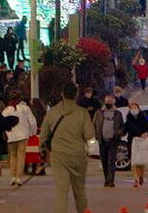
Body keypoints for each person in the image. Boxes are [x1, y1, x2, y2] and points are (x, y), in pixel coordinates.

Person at [40, 83, 96, 213]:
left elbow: (43, 134)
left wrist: (42, 150)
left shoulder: (52, 112)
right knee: (80, 190)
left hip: (58, 156)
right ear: (76, 95)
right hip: (78, 155)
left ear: (62, 94)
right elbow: (89, 135)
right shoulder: (82, 113)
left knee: (61, 191)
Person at [2, 91, 37, 187]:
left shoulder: (6, 110)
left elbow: (3, 124)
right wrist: (33, 132)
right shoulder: (25, 109)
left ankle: (13, 176)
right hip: (23, 135)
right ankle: (19, 177)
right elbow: (32, 121)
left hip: (11, 136)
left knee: (13, 156)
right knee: (21, 156)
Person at [94, 93, 125, 188]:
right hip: (102, 140)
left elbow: (121, 125)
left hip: (113, 140)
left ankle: (111, 180)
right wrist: (96, 135)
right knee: (104, 160)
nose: (108, 103)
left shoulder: (117, 113)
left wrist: (119, 133)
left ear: (113, 101)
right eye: (107, 101)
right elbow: (94, 124)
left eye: (110, 101)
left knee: (111, 161)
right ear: (104, 101)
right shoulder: (99, 112)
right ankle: (106, 179)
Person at [123, 102, 148, 188]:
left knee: (141, 162)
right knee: (134, 161)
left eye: (135, 107)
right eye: (132, 108)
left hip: (142, 143)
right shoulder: (128, 121)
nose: (134, 109)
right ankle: (136, 179)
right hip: (132, 142)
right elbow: (124, 131)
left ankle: (141, 176)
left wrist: (147, 134)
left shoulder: (143, 119)